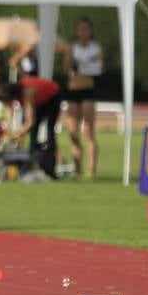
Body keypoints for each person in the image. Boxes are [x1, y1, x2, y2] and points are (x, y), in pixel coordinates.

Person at [0, 54, 61, 178]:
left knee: (49, 130)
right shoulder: (18, 93)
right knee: (33, 132)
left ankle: (50, 167)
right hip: (40, 100)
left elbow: (30, 121)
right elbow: (9, 113)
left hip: (53, 97)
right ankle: (33, 162)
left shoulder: (27, 93)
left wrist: (18, 134)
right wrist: (7, 132)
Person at [63, 17, 103, 177]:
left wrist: (83, 65)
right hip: (73, 92)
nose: (83, 32)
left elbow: (98, 68)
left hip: (88, 91)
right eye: (81, 29)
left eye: (86, 28)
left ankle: (91, 169)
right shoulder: (72, 47)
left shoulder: (95, 48)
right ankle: (78, 168)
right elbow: (66, 68)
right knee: (73, 131)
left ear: (90, 30)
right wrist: (71, 59)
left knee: (88, 131)